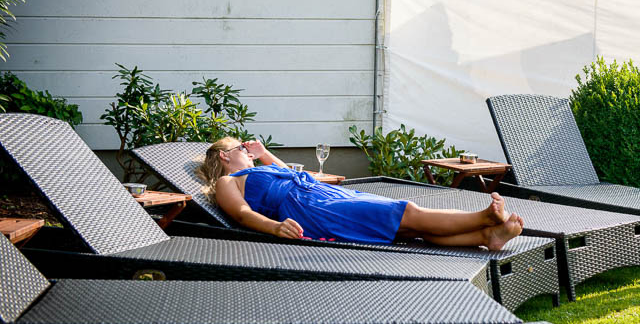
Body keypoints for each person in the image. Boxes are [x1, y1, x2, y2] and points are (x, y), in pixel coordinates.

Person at [196, 137, 524, 250]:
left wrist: (263, 152)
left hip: (319, 196)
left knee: (408, 230)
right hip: (311, 210)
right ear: (225, 156)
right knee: (405, 212)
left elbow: (293, 173)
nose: (248, 152)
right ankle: (483, 216)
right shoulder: (229, 182)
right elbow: (241, 214)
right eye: (241, 147)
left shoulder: (257, 167)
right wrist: (274, 227)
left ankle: (487, 236)